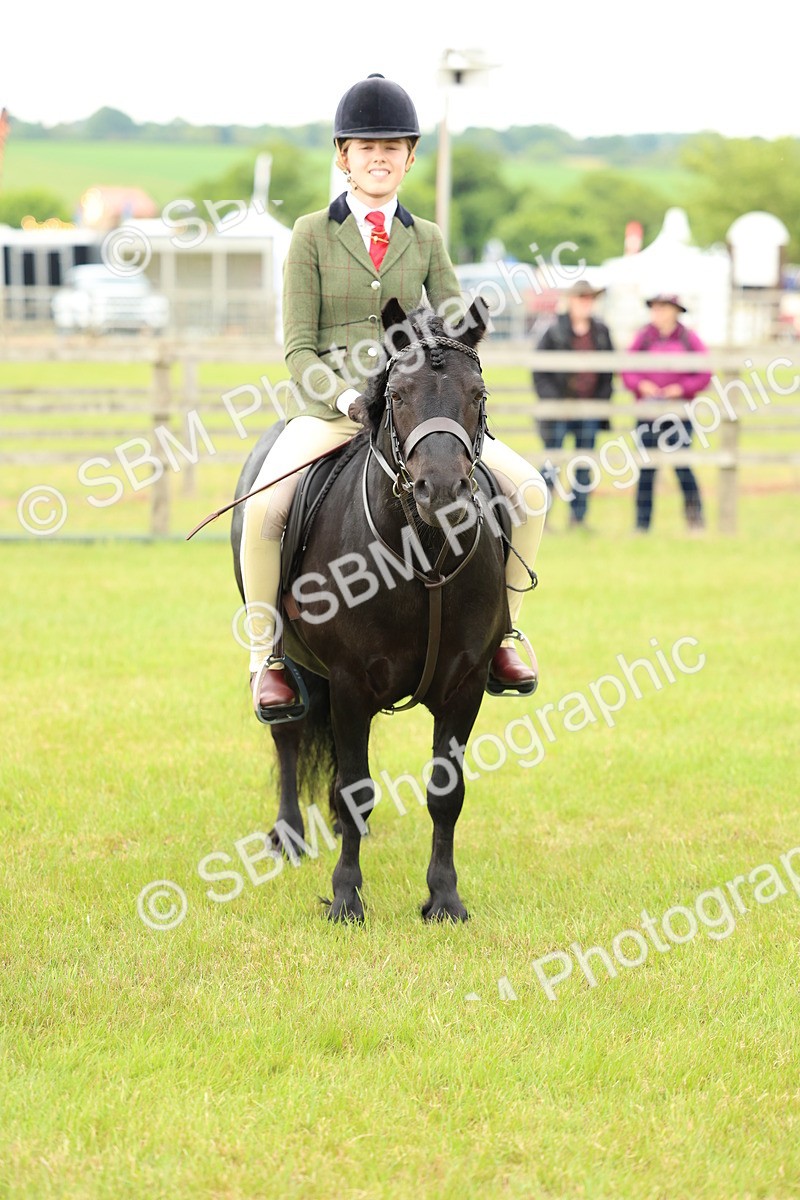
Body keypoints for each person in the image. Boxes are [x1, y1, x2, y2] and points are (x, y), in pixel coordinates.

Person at [240, 73, 547, 719]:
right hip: (337, 410)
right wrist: (349, 398)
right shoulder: (310, 234)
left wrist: (457, 364)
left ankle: (504, 634)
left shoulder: (427, 236)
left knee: (529, 492)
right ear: (342, 156)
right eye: (364, 146)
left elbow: (455, 329)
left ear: (410, 157)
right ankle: (267, 657)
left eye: (392, 147)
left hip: (418, 412)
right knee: (266, 509)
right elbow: (298, 347)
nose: (378, 157)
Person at [622, 293, 712, 533]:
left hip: (678, 412)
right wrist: (641, 385)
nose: (658, 313)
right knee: (646, 468)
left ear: (675, 311)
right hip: (648, 412)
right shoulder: (643, 338)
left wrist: (681, 389)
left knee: (682, 466)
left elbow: (704, 373)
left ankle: (695, 519)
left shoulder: (688, 338)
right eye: (655, 308)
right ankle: (642, 524)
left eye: (663, 308)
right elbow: (627, 369)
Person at [532, 281, 614, 529]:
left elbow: (609, 370)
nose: (585, 304)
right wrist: (553, 403)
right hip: (559, 410)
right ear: (571, 301)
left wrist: (601, 401)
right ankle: (541, 517)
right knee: (551, 463)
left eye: (589, 299)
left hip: (589, 409)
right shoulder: (554, 330)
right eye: (581, 299)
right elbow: (540, 371)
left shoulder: (601, 331)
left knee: (584, 463)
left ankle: (578, 517)